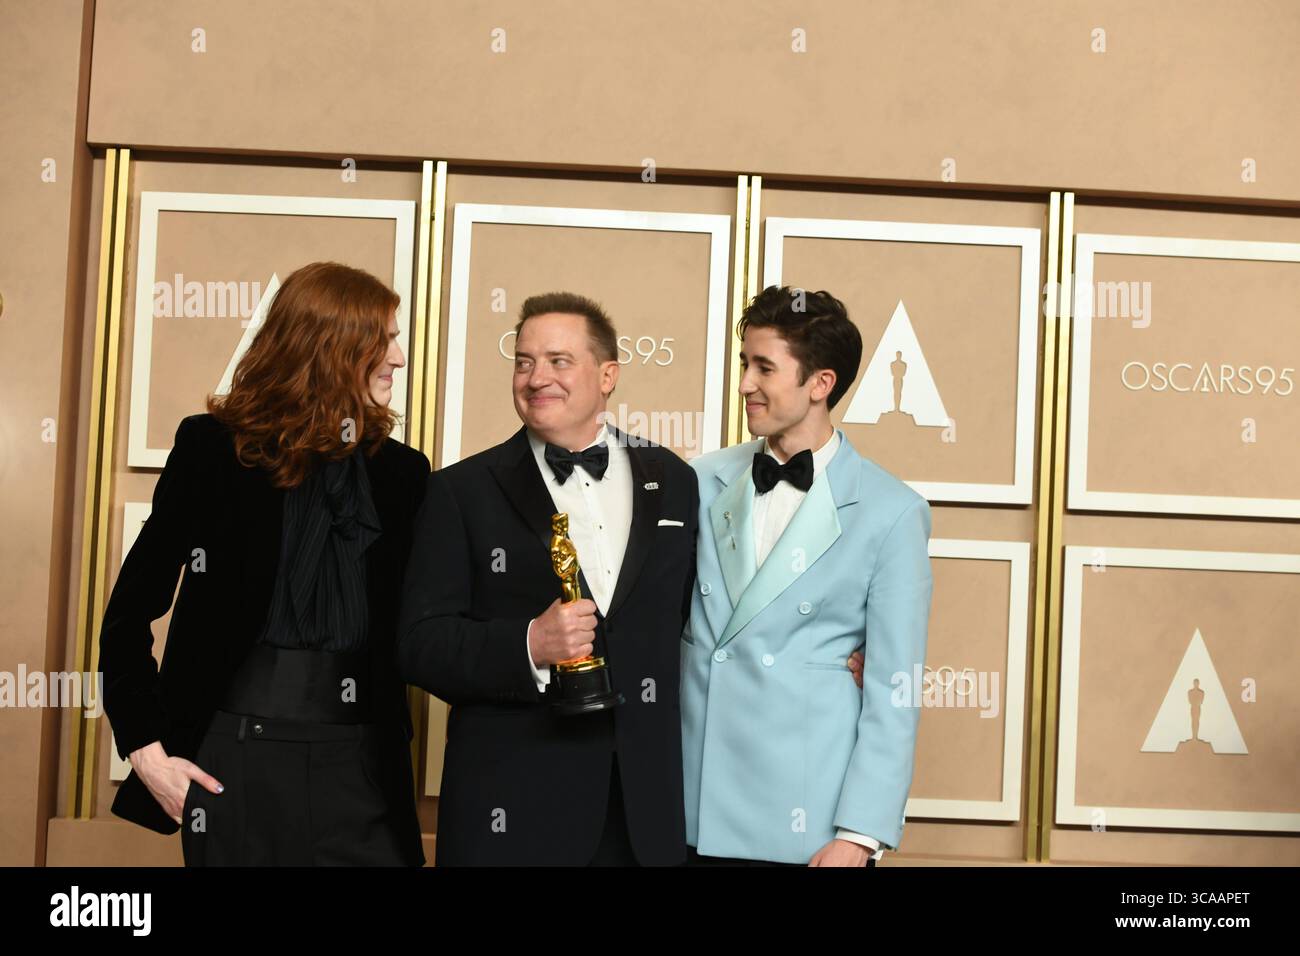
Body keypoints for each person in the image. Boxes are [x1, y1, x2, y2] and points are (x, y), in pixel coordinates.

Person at [100, 261, 430, 865]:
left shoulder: (404, 474)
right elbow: (128, 613)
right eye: (384, 339)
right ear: (329, 346)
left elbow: (424, 626)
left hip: (363, 768)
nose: (400, 357)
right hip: (232, 761)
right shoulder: (212, 450)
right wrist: (145, 749)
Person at [398, 291, 698, 865]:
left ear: (608, 374)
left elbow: (703, 616)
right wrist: (528, 645)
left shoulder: (676, 479)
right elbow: (419, 644)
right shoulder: (460, 492)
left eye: (559, 361)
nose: (537, 378)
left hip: (645, 818)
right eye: (524, 361)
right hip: (513, 813)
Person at [681, 285, 934, 867]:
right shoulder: (698, 479)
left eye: (764, 367)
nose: (745, 382)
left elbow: (895, 692)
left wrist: (860, 834)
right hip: (691, 806)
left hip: (808, 822)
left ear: (820, 384)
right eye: (745, 363)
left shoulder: (892, 511)